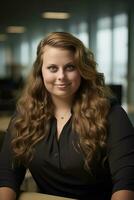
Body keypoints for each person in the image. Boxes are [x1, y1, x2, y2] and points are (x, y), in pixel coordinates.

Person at [0, 32, 134, 200]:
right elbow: (7, 176)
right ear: (40, 72)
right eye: (52, 68)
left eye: (70, 67)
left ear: (82, 70)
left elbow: (126, 182)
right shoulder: (25, 114)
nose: (61, 76)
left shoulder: (112, 114)